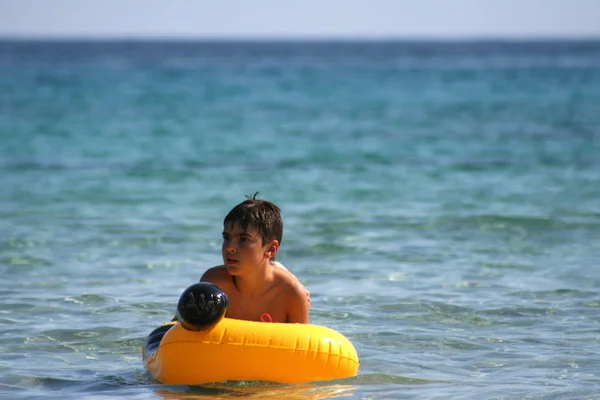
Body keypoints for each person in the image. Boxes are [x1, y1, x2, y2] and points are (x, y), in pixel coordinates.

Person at [199, 193, 310, 324]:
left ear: (270, 249)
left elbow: (301, 342)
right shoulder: (214, 284)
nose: (230, 247)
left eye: (244, 239)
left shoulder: (290, 294)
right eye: (226, 238)